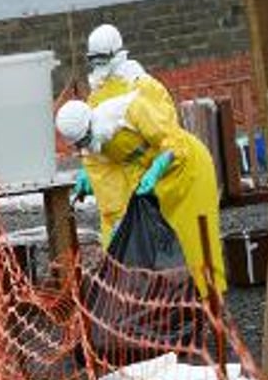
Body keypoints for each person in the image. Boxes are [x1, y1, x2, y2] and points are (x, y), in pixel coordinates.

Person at [56, 91, 227, 297]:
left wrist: (159, 165)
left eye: (86, 139)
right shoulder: (96, 147)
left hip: (187, 170)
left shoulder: (134, 110)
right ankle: (180, 301)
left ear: (91, 122)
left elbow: (172, 140)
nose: (85, 146)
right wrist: (117, 217)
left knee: (194, 237)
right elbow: (111, 185)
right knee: (162, 244)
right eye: (79, 144)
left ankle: (209, 297)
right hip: (155, 184)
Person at [73, 23, 184, 246]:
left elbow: (170, 135)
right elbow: (92, 138)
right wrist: (87, 170)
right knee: (118, 256)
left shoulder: (144, 88)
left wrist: (158, 167)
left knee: (158, 250)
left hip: (148, 181)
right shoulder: (97, 95)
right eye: (93, 59)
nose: (97, 65)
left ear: (116, 54)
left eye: (101, 59)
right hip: (114, 192)